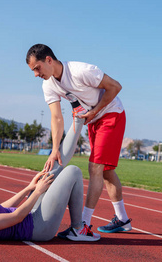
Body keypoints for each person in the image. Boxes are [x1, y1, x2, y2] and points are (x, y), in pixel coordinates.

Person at [26, 44, 132, 234]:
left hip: (111, 113)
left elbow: (115, 87)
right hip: (93, 120)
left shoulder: (81, 71)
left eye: (37, 68)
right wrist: (55, 149)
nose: (35, 74)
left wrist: (93, 111)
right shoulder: (48, 84)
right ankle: (122, 219)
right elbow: (56, 117)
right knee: (105, 171)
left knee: (95, 167)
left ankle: (82, 225)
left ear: (48, 60)